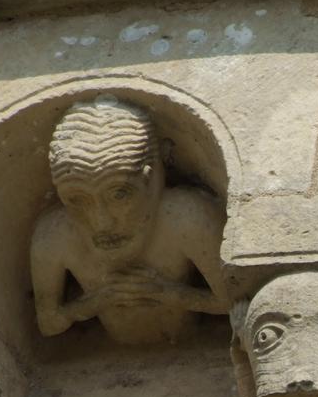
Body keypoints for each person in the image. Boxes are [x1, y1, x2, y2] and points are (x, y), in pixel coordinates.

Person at [30, 95, 227, 344]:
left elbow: (233, 300)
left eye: (120, 195)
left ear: (152, 176)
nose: (101, 223)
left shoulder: (185, 217)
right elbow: (48, 323)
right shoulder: (55, 234)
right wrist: (95, 302)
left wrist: (168, 293)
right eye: (77, 201)